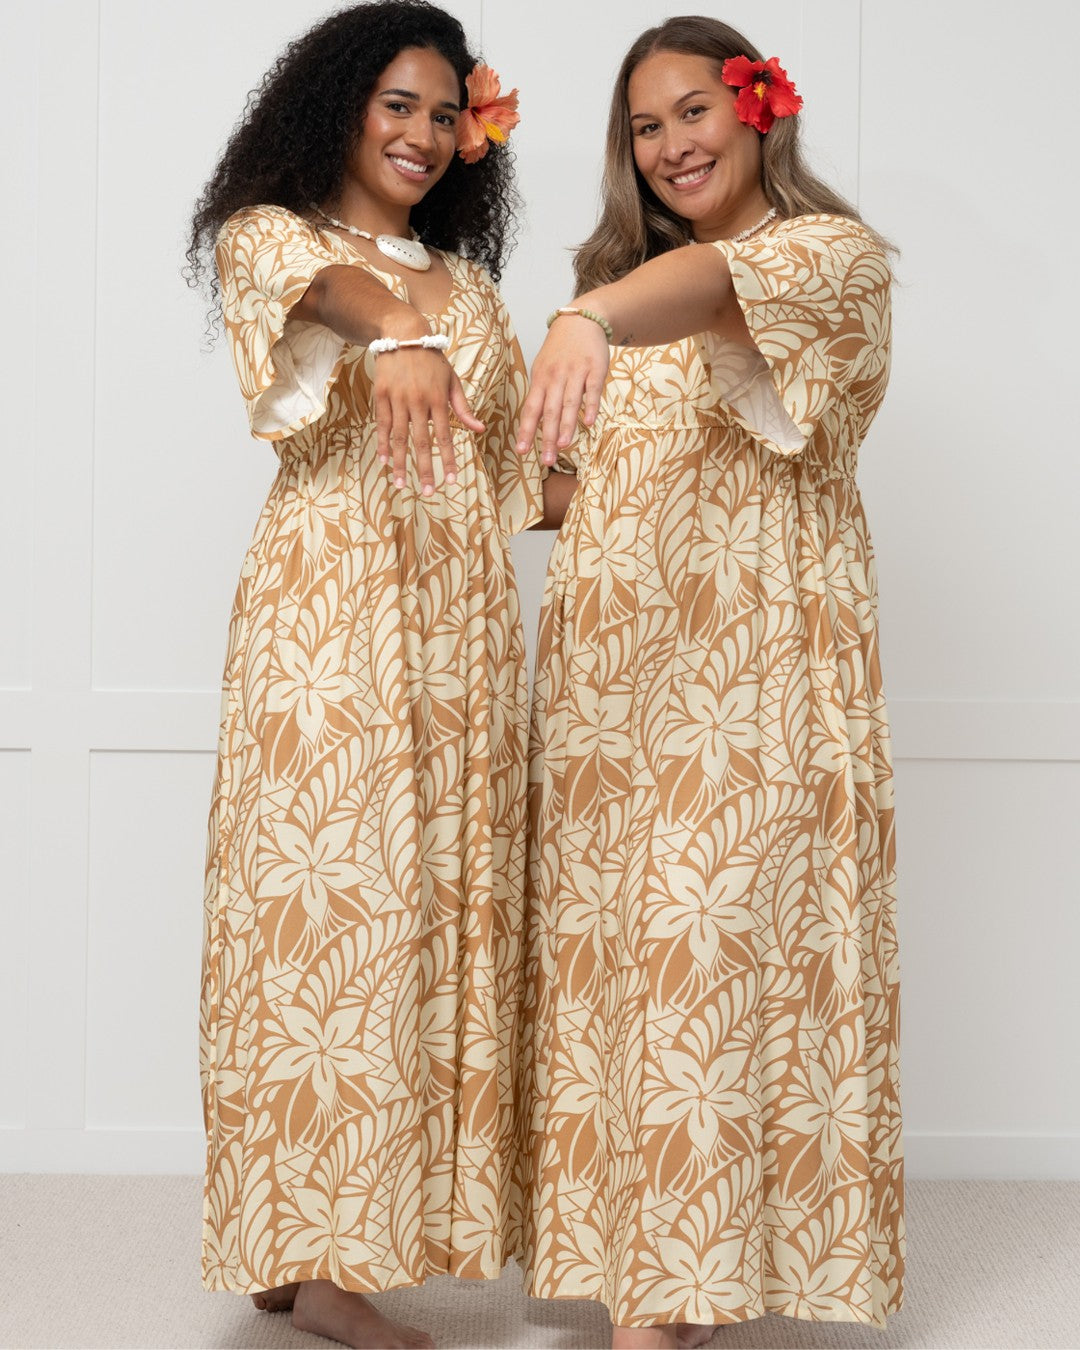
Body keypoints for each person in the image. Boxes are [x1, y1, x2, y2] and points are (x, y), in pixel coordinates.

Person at [514, 17, 903, 1349]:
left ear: (756, 112)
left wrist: (580, 317)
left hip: (752, 680)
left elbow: (721, 291)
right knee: (634, 978)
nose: (673, 143)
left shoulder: (826, 260)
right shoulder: (628, 291)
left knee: (704, 955)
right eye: (644, 127)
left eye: (694, 111)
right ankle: (663, 1270)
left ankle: (666, 1310)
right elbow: (568, 495)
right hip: (613, 693)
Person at [185, 4, 539, 1346]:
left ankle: (319, 1241)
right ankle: (325, 1266)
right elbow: (331, 297)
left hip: (464, 644)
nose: (426, 133)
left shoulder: (481, 295)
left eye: (447, 112)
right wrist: (393, 320)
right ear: (339, 103)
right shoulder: (274, 241)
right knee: (335, 923)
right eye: (399, 103)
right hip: (332, 629)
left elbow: (513, 482)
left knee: (434, 918)